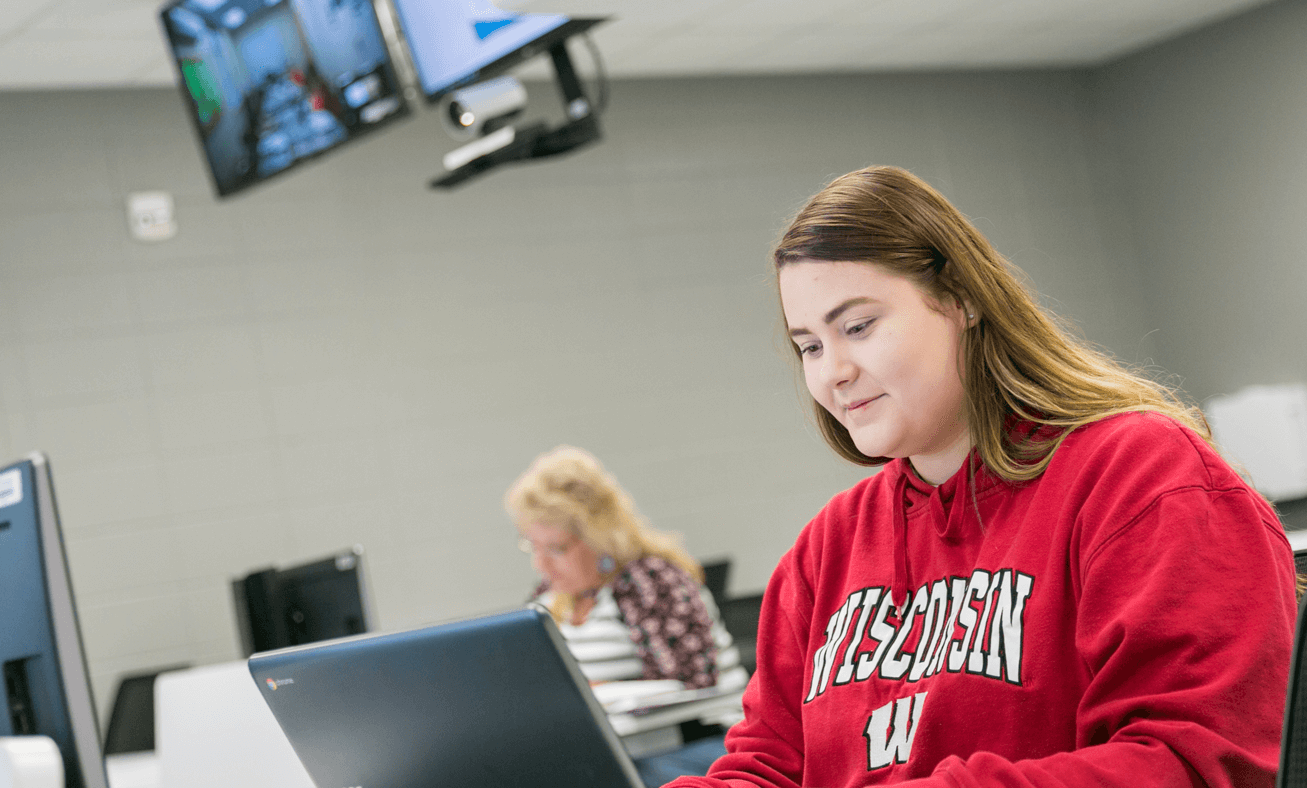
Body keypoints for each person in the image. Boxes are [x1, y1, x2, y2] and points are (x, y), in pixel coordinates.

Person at [665, 166, 1298, 788]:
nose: (833, 372)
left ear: (961, 299)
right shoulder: (824, 550)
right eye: (810, 346)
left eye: (857, 327)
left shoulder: (1142, 474)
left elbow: (1201, 760)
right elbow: (768, 768)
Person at [504, 445, 750, 787]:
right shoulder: (543, 600)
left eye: (556, 548)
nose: (541, 564)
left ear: (597, 536)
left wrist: (585, 693)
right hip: (610, 753)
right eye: (533, 546)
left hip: (696, 745)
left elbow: (693, 683)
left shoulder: (650, 581)